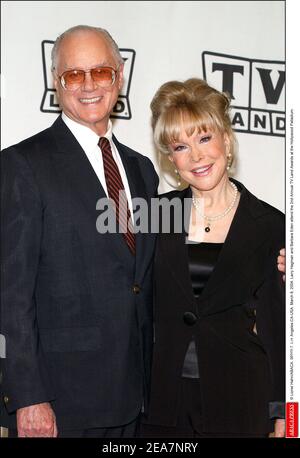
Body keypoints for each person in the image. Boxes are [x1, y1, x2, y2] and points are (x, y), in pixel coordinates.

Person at [0, 25, 158, 438]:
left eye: (101, 72)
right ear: (56, 83)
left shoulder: (142, 170)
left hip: (137, 397)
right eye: (73, 75)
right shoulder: (23, 165)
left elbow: (146, 273)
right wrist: (29, 395)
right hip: (61, 403)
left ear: (119, 77)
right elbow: (11, 294)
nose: (88, 85)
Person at [141, 78, 285, 438]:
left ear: (227, 139)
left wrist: (286, 412)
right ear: (170, 158)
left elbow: (281, 329)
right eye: (180, 146)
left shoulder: (270, 225)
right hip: (162, 402)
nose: (196, 156)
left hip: (242, 402)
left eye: (204, 138)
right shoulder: (157, 213)